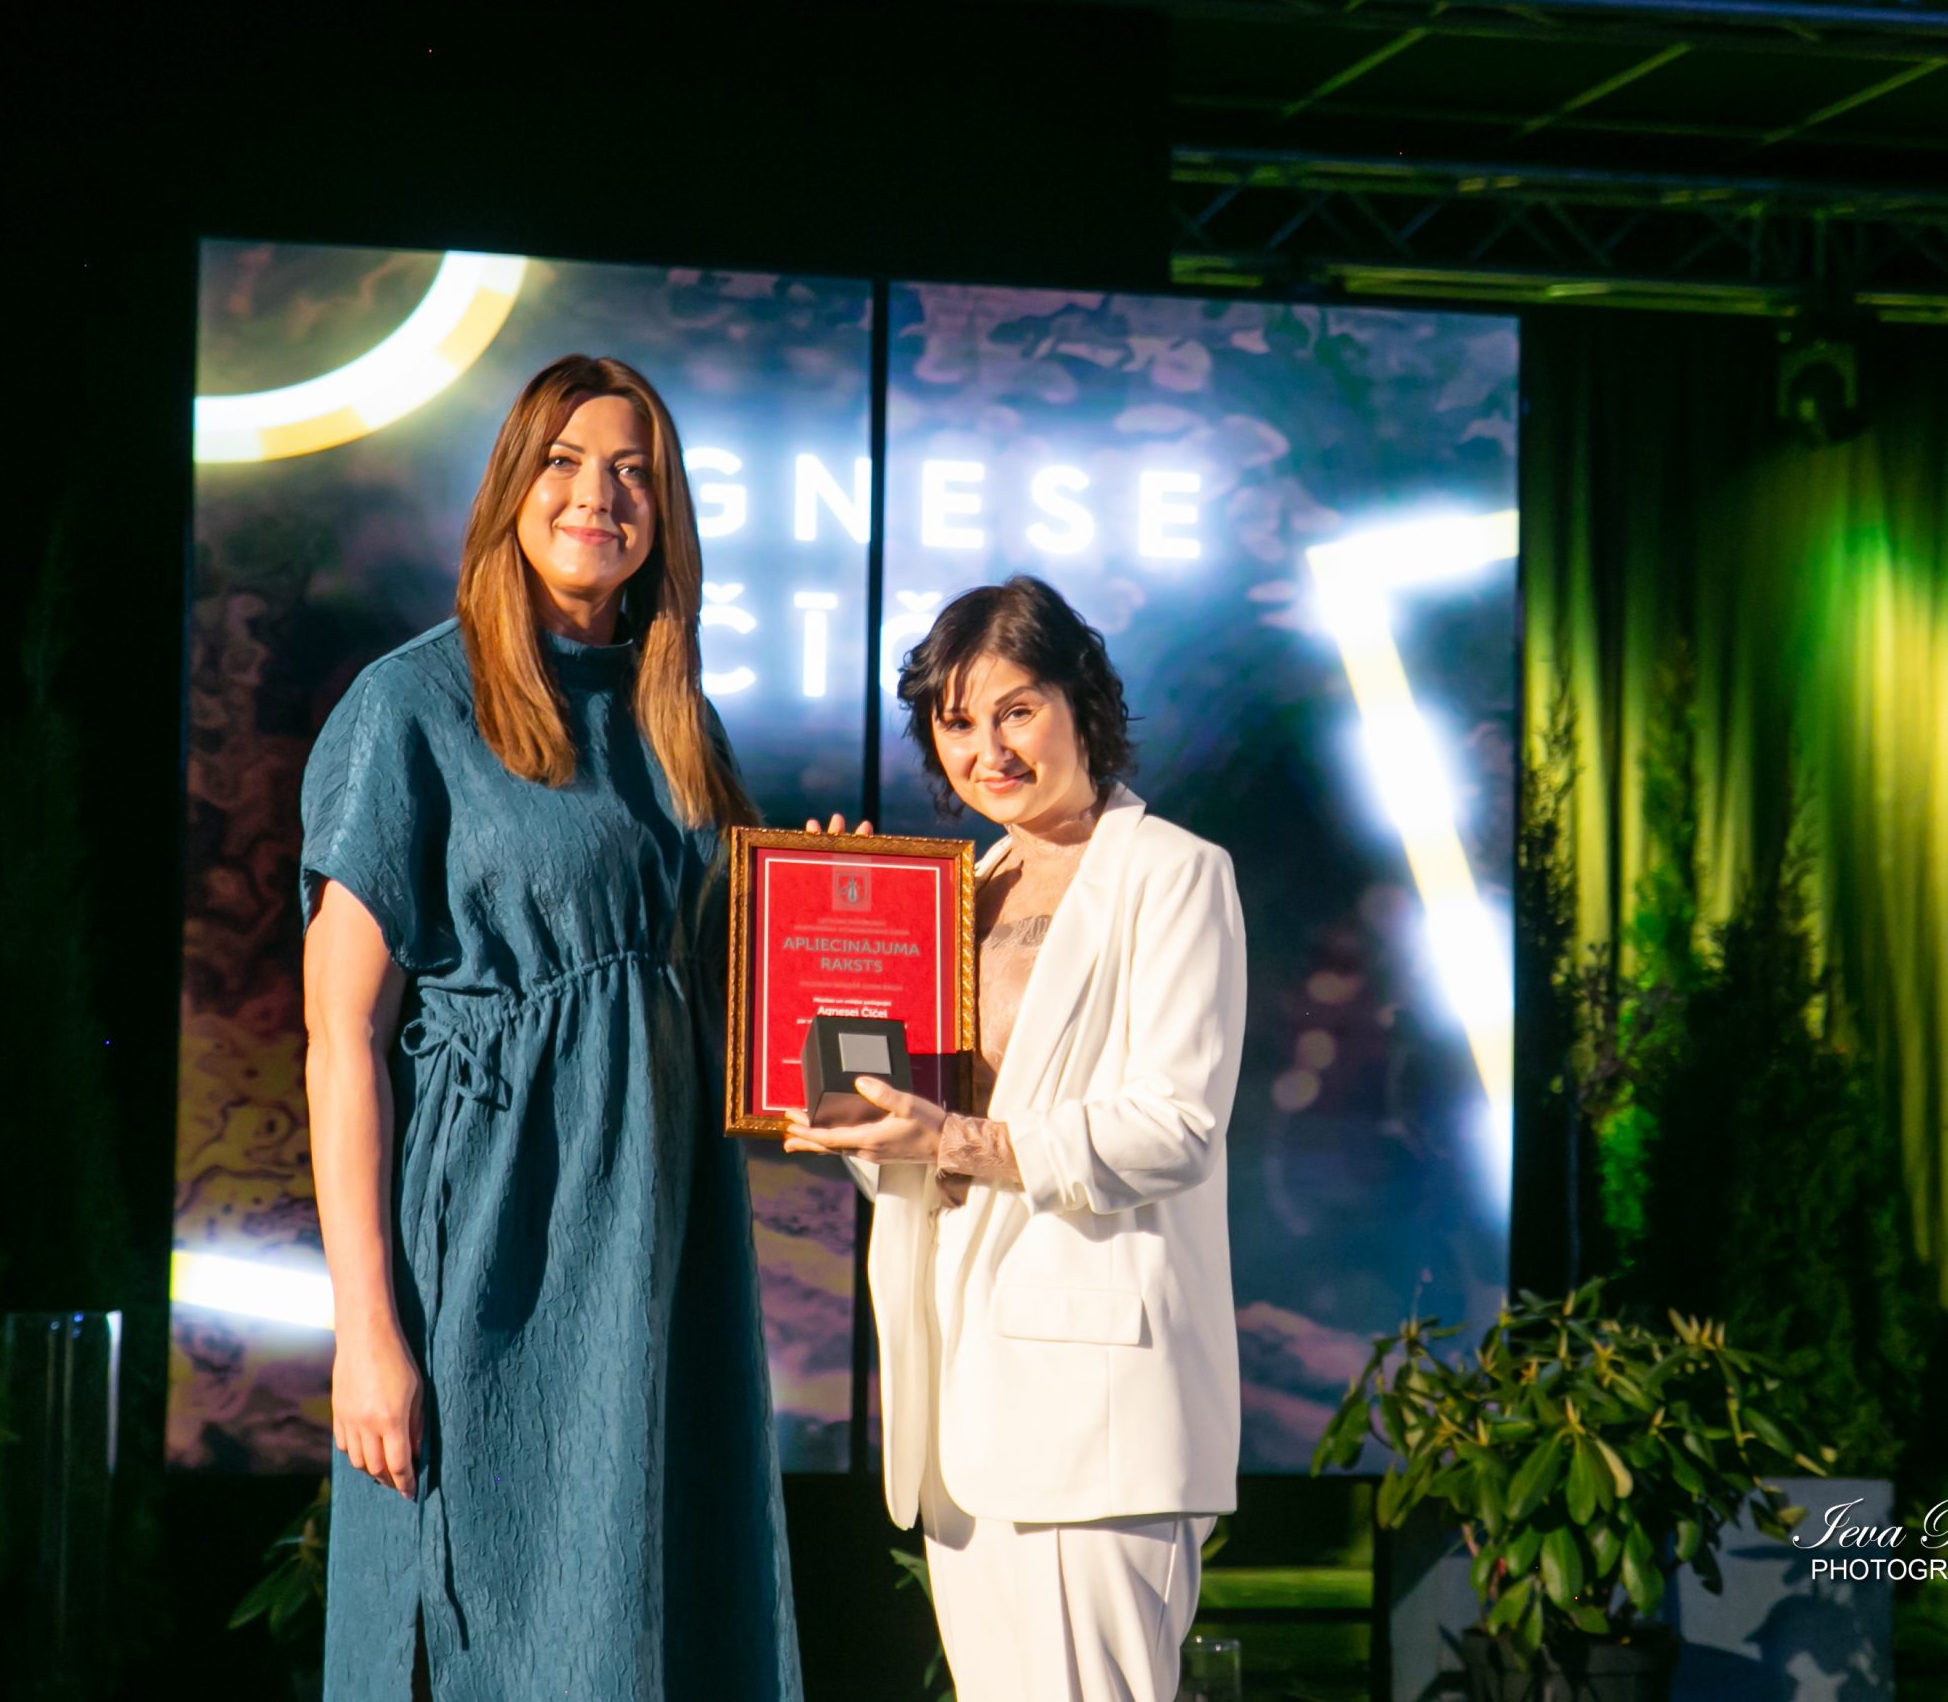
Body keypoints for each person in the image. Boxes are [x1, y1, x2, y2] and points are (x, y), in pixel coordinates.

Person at [299, 355, 801, 1699]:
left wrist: (836, 925)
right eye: (567, 462)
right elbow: (340, 1037)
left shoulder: (677, 716)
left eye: (633, 471)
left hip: (666, 1237)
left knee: (656, 1611)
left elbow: (728, 1001)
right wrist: (366, 1328)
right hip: (499, 1237)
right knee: (498, 1610)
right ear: (512, 489)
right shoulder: (412, 705)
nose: (600, 495)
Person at [786, 575, 1248, 1702]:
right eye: (956, 722)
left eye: (1017, 710)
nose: (987, 750)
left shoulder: (1172, 873)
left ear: (1082, 704)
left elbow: (1176, 1127)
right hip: (960, 1409)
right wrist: (828, 922)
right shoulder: (957, 893)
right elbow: (916, 1149)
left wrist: (961, 1140)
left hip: (1095, 1413)